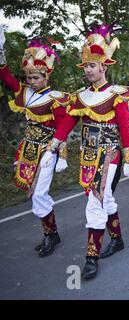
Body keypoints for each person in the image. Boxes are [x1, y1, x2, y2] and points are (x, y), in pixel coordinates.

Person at [40, 23, 129, 279]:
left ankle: (91, 257)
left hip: (109, 156)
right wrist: (54, 147)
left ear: (104, 66)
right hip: (87, 156)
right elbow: (67, 122)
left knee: (95, 205)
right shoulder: (81, 97)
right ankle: (117, 239)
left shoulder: (115, 95)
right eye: (86, 67)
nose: (89, 71)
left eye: (93, 66)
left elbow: (125, 127)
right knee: (106, 201)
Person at [0, 32, 70, 257]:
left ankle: (50, 235)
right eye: (29, 78)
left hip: (48, 150)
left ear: (46, 77)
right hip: (28, 148)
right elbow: (8, 79)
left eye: (36, 78)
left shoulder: (56, 98)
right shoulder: (25, 93)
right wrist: (1, 57)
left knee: (39, 194)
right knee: (32, 193)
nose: (31, 82)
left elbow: (63, 128)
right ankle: (52, 233)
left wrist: (62, 154)